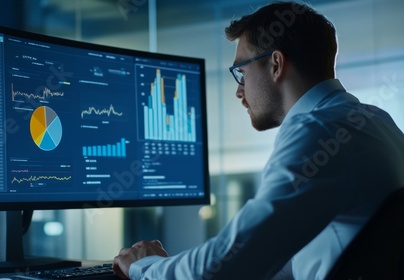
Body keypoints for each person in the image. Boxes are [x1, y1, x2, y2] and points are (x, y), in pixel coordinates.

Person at [113, 1, 404, 279]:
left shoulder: (318, 130)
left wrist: (143, 266)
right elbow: (283, 258)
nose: (239, 92)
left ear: (276, 64)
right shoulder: (376, 121)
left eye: (242, 71)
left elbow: (226, 265)